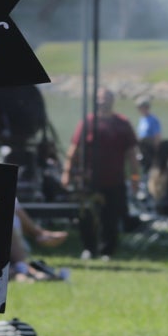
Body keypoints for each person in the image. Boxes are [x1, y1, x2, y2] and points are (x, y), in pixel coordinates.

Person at [67, 86, 137, 261]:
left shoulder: (122, 123)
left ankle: (107, 251)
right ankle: (89, 248)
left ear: (112, 100)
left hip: (114, 180)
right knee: (87, 216)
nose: (102, 101)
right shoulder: (87, 122)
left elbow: (132, 155)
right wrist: (66, 173)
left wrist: (135, 178)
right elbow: (74, 149)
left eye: (105, 97)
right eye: (99, 98)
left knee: (111, 218)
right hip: (89, 180)